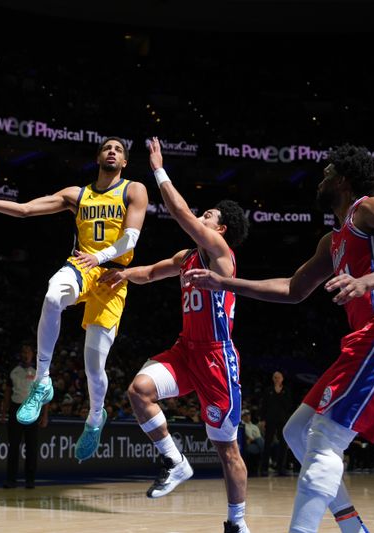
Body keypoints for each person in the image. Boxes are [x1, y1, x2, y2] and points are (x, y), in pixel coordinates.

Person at [188, 144, 374, 533]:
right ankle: (353, 527)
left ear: (344, 179)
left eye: (327, 171)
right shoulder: (331, 241)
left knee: (323, 439)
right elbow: (292, 288)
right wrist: (224, 282)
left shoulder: (373, 208)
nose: (321, 177)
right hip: (367, 338)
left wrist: (364, 281)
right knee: (296, 432)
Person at [0, 137, 148, 462]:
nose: (112, 151)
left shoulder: (134, 189)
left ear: (125, 162)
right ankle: (43, 381)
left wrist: (100, 258)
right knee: (53, 293)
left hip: (113, 276)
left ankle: (95, 416)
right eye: (107, 148)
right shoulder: (78, 194)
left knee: (94, 366)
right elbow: (26, 209)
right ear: (98, 157)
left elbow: (129, 240)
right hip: (82, 265)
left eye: (118, 149)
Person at [100, 137, 251, 533]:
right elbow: (150, 273)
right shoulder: (187, 258)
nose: (202, 216)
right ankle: (175, 462)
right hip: (187, 351)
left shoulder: (220, 253)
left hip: (217, 358)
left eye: (210, 213)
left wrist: (158, 168)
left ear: (221, 228)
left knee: (227, 449)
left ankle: (237, 522)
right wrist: (121, 274)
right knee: (139, 391)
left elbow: (181, 211)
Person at [1, 343, 48, 488]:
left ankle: (30, 480)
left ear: (32, 355)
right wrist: (4, 412)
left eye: (28, 352)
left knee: (31, 447)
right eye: (23, 352)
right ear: (20, 354)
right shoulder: (13, 371)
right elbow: (7, 393)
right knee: (13, 446)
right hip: (15, 410)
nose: (25, 354)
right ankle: (11, 479)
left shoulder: (38, 372)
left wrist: (45, 415)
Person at [260, 370, 293, 476]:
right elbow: (264, 405)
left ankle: (281, 468)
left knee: (283, 444)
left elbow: (289, 406)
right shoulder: (268, 390)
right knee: (267, 443)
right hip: (270, 420)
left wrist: (279, 394)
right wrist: (263, 419)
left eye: (278, 377)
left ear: (282, 379)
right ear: (272, 379)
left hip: (283, 420)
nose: (277, 379)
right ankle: (264, 467)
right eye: (275, 377)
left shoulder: (286, 391)